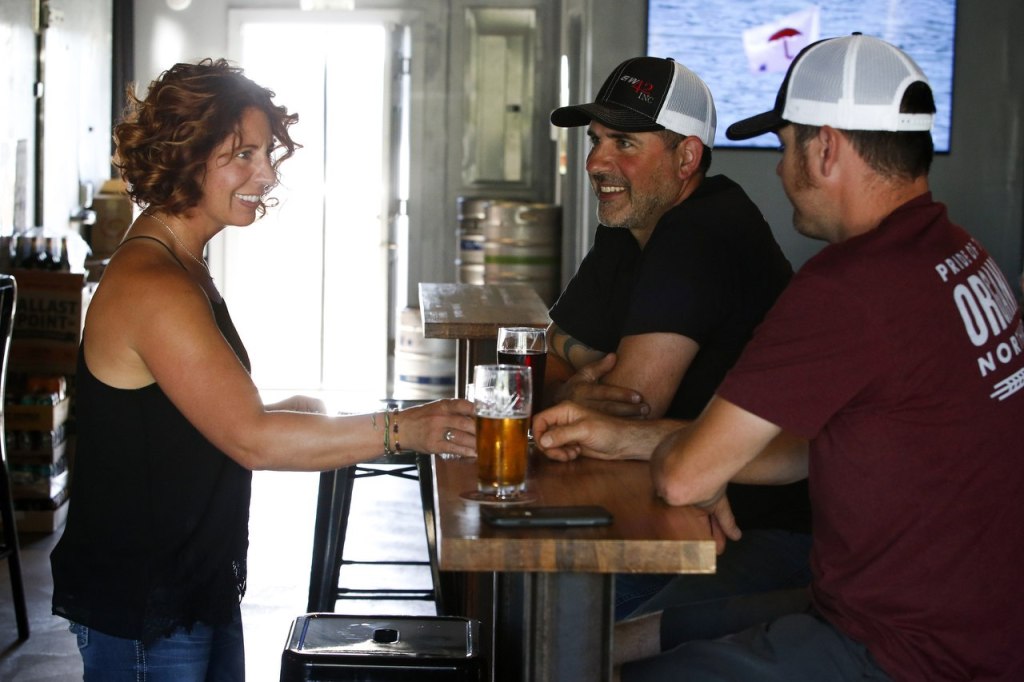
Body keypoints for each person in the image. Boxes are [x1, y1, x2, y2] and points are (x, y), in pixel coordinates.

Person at [605, 34, 1024, 681]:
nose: (779, 168)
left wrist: (696, 465)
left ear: (825, 146)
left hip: (907, 650)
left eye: (784, 143)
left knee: (621, 669)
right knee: (631, 638)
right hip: (965, 620)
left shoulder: (849, 284)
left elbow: (681, 480)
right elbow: (811, 448)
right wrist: (712, 466)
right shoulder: (962, 256)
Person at [49, 58, 476, 681]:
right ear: (185, 156)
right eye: (244, 154)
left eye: (267, 154)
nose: (267, 174)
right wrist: (405, 428)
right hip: (145, 600)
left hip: (191, 585)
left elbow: (181, 422)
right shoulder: (153, 283)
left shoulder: (181, 263)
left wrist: (287, 413)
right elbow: (249, 439)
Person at [542, 56, 811, 619]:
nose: (596, 162)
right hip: (672, 504)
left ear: (686, 156)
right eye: (595, 141)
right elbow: (550, 353)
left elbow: (629, 409)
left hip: (758, 533)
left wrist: (573, 388)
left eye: (625, 143)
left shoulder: (701, 231)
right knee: (532, 592)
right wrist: (574, 384)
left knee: (556, 613)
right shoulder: (631, 218)